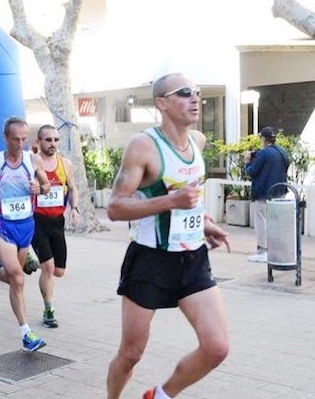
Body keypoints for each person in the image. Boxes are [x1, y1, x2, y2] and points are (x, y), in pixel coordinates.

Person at [105, 73, 231, 399]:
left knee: (217, 347)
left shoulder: (198, 142)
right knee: (131, 353)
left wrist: (203, 222)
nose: (195, 99)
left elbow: (190, 198)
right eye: (185, 93)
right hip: (150, 260)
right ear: (162, 103)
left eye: (198, 93)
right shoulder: (143, 146)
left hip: (193, 258)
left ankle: (159, 395)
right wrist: (171, 201)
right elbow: (116, 207)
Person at [0, 116, 51, 352]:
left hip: (26, 225)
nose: (20, 144)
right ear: (5, 138)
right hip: (2, 225)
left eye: (24, 139)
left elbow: (46, 186)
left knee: (11, 275)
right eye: (15, 139)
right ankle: (26, 333)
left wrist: (40, 188)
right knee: (18, 277)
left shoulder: (32, 159)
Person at [32, 125, 80, 328]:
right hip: (37, 221)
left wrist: (74, 208)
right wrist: (33, 189)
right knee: (49, 268)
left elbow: (72, 187)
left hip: (57, 222)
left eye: (56, 140)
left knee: (58, 271)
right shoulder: (33, 163)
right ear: (39, 142)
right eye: (48, 140)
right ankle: (48, 309)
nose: (53, 144)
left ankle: (32, 264)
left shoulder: (66, 164)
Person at [244, 126, 290, 263]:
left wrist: (247, 162)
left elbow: (252, 171)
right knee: (276, 222)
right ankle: (277, 250)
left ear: (263, 138)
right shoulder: (283, 152)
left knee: (261, 221)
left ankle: (262, 250)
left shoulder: (263, 153)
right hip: (280, 191)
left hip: (263, 193)